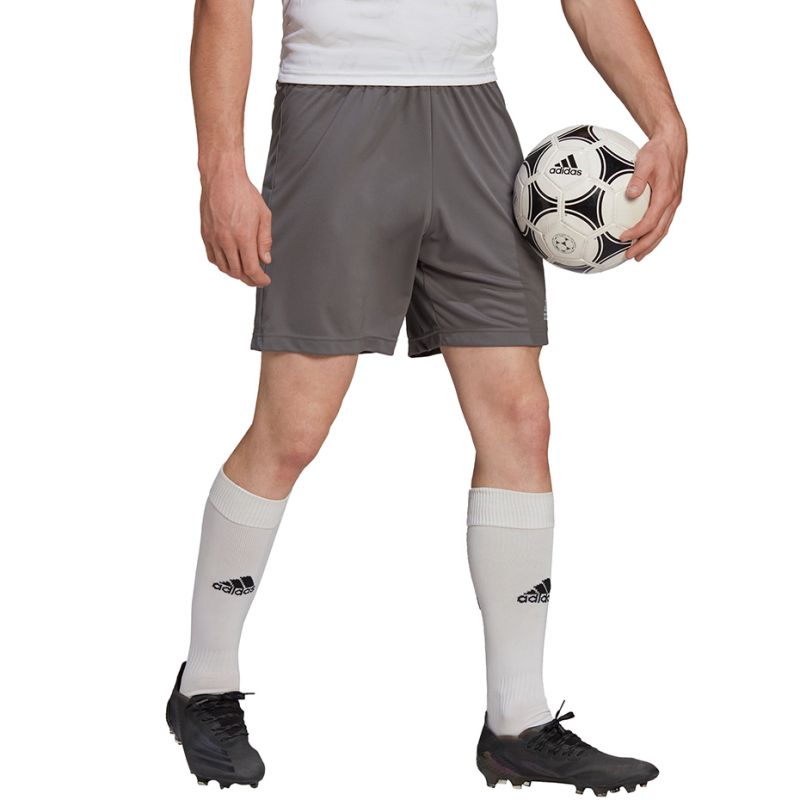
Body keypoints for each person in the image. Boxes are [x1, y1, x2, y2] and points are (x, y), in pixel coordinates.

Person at [166, 0, 686, 792]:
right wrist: (221, 167)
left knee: (521, 418)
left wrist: (665, 121)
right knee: (293, 429)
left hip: (473, 111)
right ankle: (203, 685)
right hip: (333, 106)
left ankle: (518, 722)